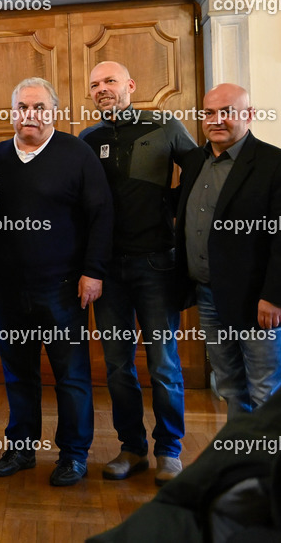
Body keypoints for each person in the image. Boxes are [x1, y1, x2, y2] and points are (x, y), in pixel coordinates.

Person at [0, 77, 113, 487]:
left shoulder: (76, 153)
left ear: (53, 112)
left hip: (62, 286)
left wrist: (93, 271)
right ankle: (21, 448)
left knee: (71, 375)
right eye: (23, 107)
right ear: (12, 113)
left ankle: (73, 455)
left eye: (39, 107)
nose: (30, 115)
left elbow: (101, 215)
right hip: (7, 288)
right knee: (18, 373)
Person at [80, 61, 198, 486]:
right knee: (117, 365)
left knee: (164, 365)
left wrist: (170, 207)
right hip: (108, 270)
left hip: (155, 263)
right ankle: (132, 448)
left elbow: (199, 173)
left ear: (131, 85)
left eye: (110, 81)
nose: (102, 89)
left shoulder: (165, 125)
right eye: (94, 85)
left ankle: (169, 451)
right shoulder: (88, 139)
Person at [176, 83, 281, 418]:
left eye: (227, 112)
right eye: (208, 113)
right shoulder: (194, 161)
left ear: (248, 115)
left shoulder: (280, 165)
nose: (216, 120)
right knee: (231, 387)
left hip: (261, 302)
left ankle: (276, 470)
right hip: (210, 297)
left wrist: (276, 296)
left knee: (269, 392)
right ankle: (243, 465)